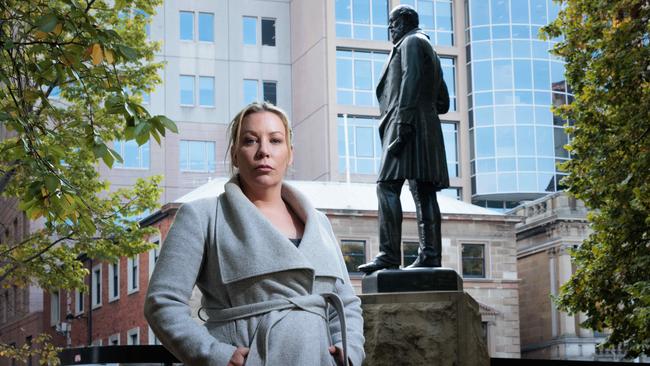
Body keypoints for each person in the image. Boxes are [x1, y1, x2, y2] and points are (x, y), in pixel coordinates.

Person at [145, 102, 365, 366]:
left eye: (275, 140)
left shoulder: (319, 223)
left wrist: (348, 348)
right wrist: (216, 355)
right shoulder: (203, 216)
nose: (264, 152)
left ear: (290, 153)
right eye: (250, 141)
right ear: (235, 155)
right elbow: (162, 303)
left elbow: (346, 301)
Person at [358, 5, 450, 274]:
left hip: (407, 126)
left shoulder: (410, 42)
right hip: (426, 127)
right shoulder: (428, 47)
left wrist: (404, 124)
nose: (390, 29)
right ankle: (430, 255)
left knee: (386, 186)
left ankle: (388, 256)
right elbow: (442, 101)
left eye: (393, 23)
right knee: (423, 191)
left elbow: (410, 81)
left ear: (405, 23)